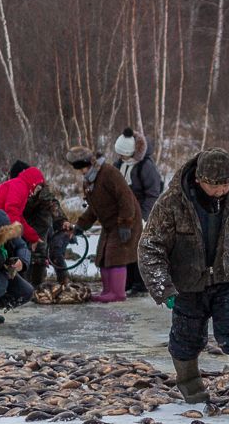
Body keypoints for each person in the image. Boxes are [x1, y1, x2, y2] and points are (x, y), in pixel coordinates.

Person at [140, 148, 229, 419]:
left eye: (226, 183)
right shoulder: (172, 202)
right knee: (186, 339)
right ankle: (192, 392)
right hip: (187, 284)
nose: (220, 190)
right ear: (198, 180)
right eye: (214, 185)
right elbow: (150, 246)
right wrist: (162, 287)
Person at [64, 146, 139, 304]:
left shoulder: (109, 173)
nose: (82, 172)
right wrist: (80, 226)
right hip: (109, 223)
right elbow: (93, 209)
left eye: (83, 167)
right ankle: (107, 290)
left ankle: (118, 292)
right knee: (103, 255)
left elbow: (125, 197)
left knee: (116, 254)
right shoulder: (89, 182)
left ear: (90, 163)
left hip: (126, 218)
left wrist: (125, 223)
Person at [113, 127, 163, 295]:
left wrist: (144, 216)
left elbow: (153, 192)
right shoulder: (120, 164)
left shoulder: (145, 166)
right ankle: (127, 282)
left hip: (142, 212)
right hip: (125, 213)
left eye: (123, 154)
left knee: (140, 249)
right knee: (125, 247)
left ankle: (141, 284)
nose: (120, 157)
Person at [8, 159, 70, 287]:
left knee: (40, 253)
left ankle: (41, 284)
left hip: (40, 220)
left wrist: (61, 220)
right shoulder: (12, 185)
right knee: (18, 250)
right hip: (20, 220)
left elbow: (52, 203)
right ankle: (21, 284)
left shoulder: (38, 185)